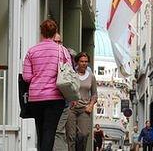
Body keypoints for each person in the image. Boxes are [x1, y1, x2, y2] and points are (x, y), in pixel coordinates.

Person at [22, 19, 68, 151]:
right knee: (50, 131)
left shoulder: (32, 51)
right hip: (55, 98)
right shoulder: (62, 51)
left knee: (41, 130)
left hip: (36, 98)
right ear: (55, 34)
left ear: (41, 32)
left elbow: (27, 77)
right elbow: (69, 73)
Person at [66, 52, 98, 151]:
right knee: (71, 136)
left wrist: (91, 105)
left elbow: (94, 94)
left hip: (84, 109)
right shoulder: (71, 74)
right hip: (71, 109)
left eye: (86, 62)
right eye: (81, 61)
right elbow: (65, 88)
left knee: (83, 134)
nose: (84, 63)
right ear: (77, 62)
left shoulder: (91, 76)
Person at [52, 33, 70, 151]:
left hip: (62, 98)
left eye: (59, 42)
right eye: (55, 41)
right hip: (47, 98)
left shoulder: (65, 53)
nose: (58, 45)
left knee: (59, 130)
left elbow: (70, 76)